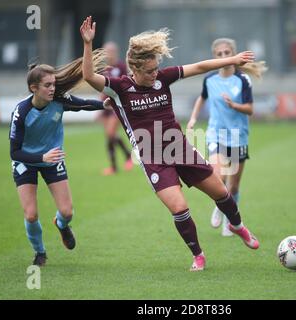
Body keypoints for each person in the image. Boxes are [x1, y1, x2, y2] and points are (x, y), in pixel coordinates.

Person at [80, 16, 260, 272]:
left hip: (179, 147)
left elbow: (199, 66)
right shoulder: (119, 88)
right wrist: (88, 44)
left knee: (220, 192)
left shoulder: (163, 78)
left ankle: (237, 226)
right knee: (179, 207)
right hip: (152, 157)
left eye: (156, 69)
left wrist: (232, 60)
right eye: (150, 71)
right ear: (136, 69)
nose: (155, 74)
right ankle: (198, 255)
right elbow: (88, 75)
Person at [9, 55, 107, 266]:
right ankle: (40, 252)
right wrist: (40, 157)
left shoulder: (59, 100)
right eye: (47, 85)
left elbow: (83, 105)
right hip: (26, 161)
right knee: (32, 215)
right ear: (34, 88)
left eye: (53, 84)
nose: (52, 89)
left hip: (52, 159)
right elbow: (14, 152)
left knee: (67, 212)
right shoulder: (21, 112)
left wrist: (105, 105)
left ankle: (61, 225)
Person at [187, 38, 267, 237]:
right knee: (219, 176)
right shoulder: (210, 79)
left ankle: (230, 220)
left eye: (227, 53)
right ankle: (220, 206)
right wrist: (193, 117)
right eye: (219, 54)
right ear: (214, 56)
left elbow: (250, 109)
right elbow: (202, 97)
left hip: (238, 136)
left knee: (235, 185)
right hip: (216, 134)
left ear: (233, 53)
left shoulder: (242, 80)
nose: (223, 56)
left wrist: (234, 105)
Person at [98, 41, 133, 176]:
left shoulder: (122, 67)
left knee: (111, 134)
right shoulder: (104, 69)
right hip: (105, 106)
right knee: (110, 136)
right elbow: (101, 89)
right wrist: (100, 107)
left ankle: (114, 167)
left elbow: (126, 85)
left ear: (116, 52)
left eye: (111, 51)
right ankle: (127, 156)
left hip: (117, 106)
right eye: (106, 52)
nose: (109, 54)